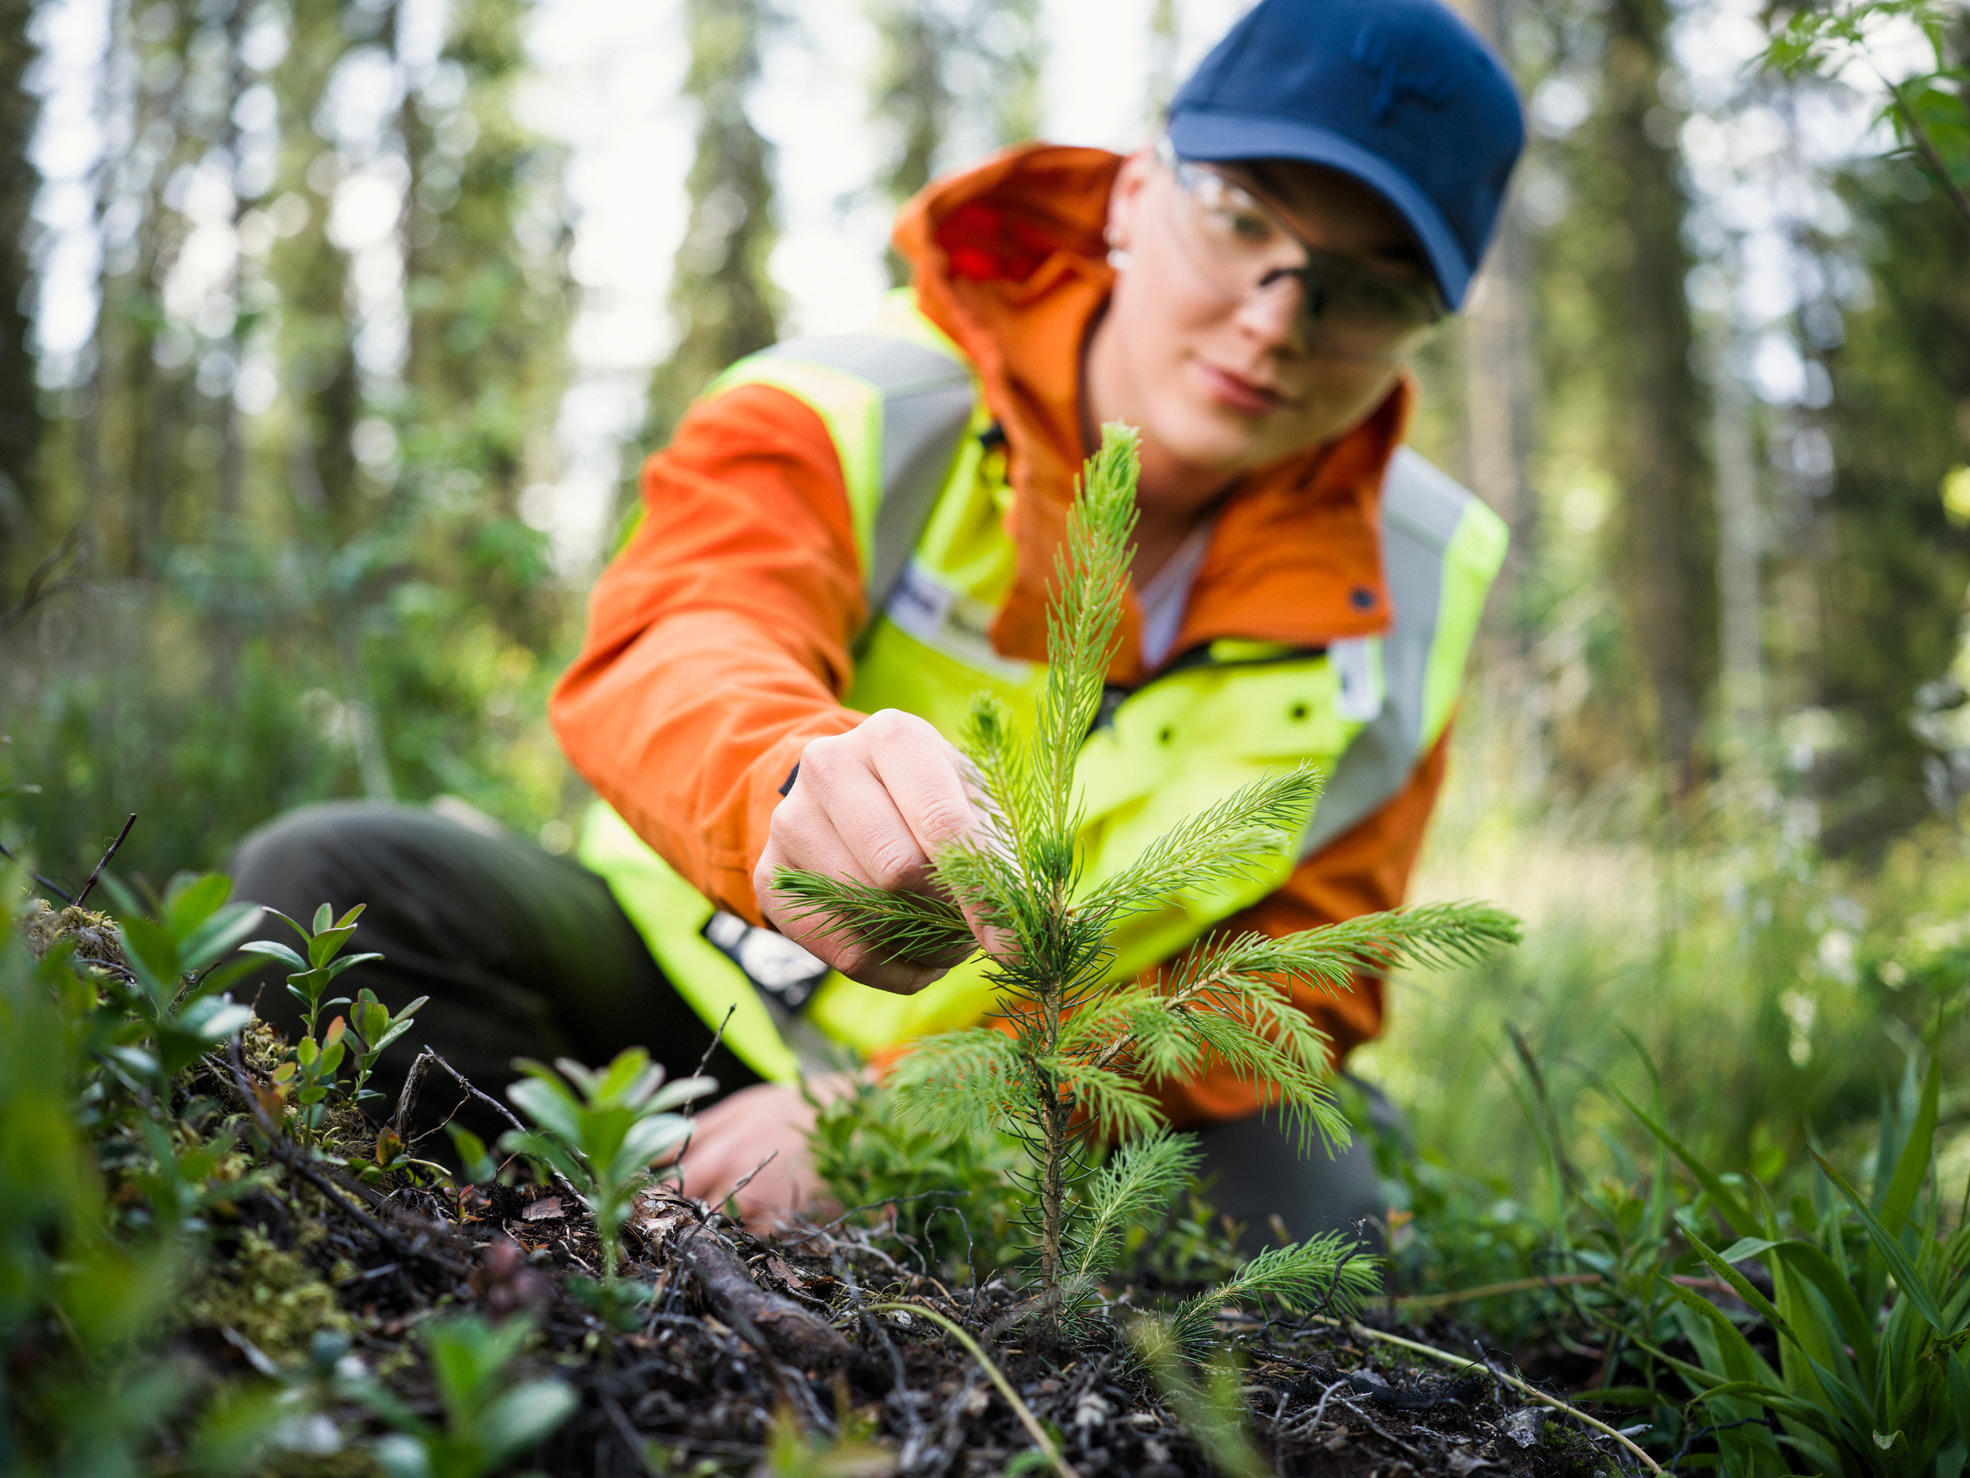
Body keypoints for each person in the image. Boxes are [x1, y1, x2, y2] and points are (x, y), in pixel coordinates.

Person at [232, 0, 1525, 1245]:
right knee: (322, 889)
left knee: (1316, 1209)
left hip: (1045, 1090)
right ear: (1136, 191)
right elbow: (680, 632)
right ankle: (584, 1230)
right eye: (1240, 220)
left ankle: (917, 1279)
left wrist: (926, 1106)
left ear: (1422, 329)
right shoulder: (861, 400)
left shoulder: (1417, 575)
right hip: (676, 978)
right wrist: (787, 775)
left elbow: (1309, 968)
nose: (1273, 317)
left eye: (1363, 289)